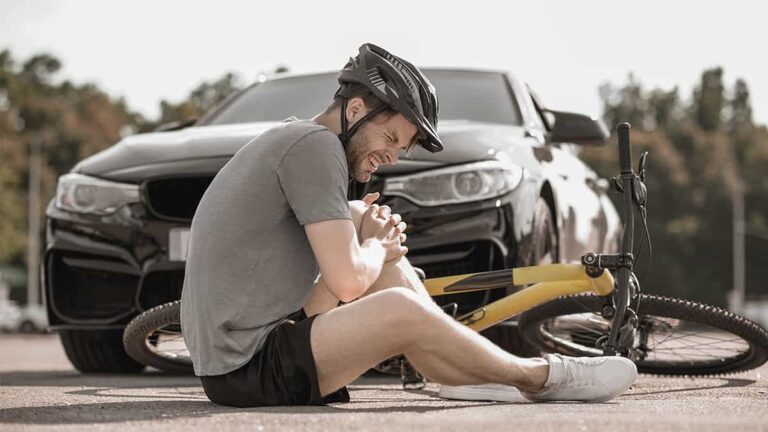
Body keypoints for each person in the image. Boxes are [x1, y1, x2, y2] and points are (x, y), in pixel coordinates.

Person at [180, 43, 637, 407]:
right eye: (390, 137)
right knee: (398, 304)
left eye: (401, 148)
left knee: (361, 219)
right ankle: (538, 377)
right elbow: (344, 280)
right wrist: (377, 248)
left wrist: (368, 233)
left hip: (243, 360)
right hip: (251, 368)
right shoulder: (314, 147)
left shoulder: (296, 139)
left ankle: (461, 374)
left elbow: (336, 261)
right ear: (355, 110)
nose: (392, 157)